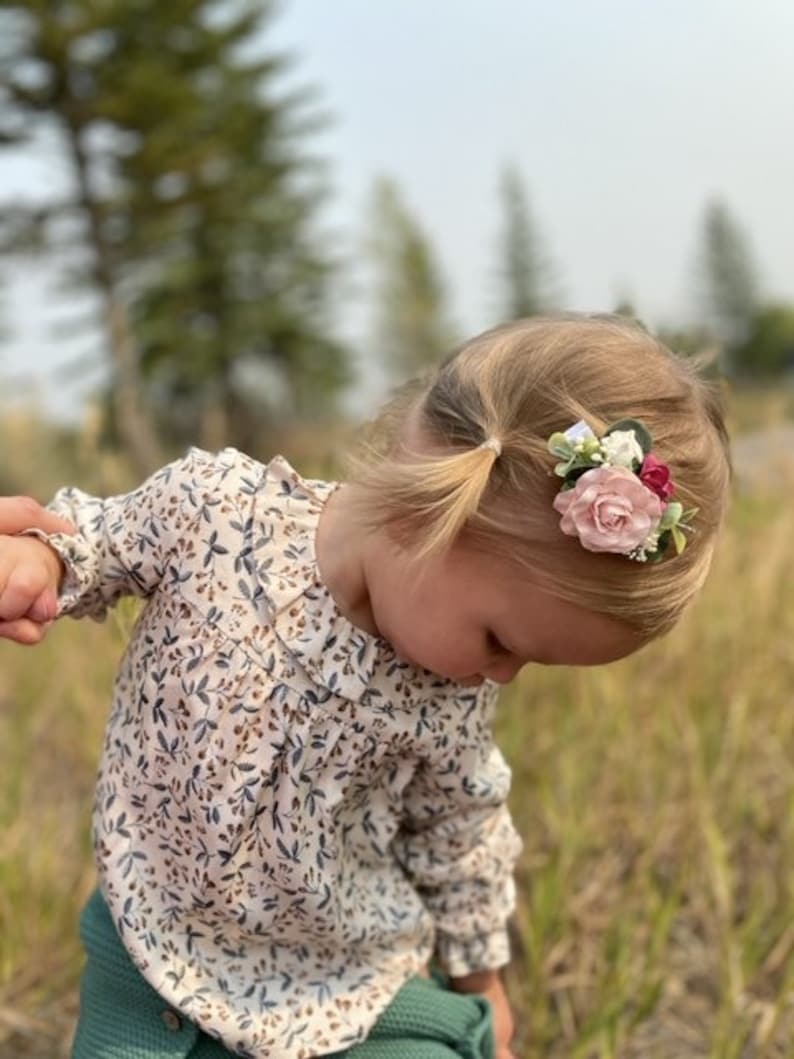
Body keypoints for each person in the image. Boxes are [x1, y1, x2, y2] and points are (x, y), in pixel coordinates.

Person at [0, 314, 731, 1059]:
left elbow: (461, 832)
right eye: (502, 640)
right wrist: (43, 562)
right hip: (153, 945)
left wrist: (485, 985)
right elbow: (99, 536)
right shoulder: (215, 515)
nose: (502, 675)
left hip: (342, 984)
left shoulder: (448, 693)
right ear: (434, 506)